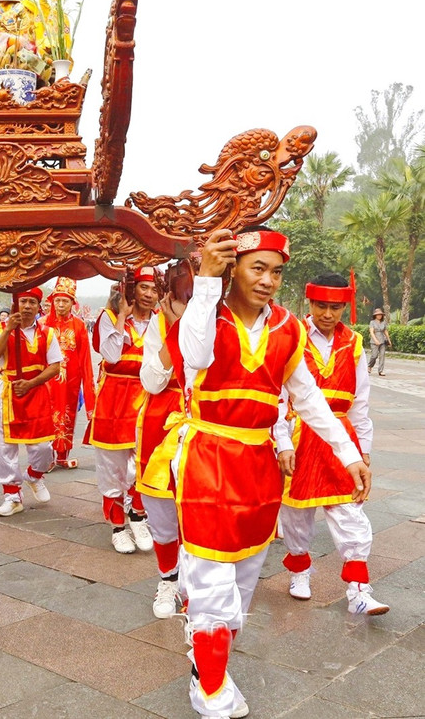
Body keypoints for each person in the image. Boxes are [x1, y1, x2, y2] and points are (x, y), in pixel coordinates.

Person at [143, 227, 370, 719]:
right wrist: (206, 280)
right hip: (207, 456)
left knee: (244, 575)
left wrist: (348, 453)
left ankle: (210, 661)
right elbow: (196, 357)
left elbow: (309, 399)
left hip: (259, 466)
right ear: (234, 269)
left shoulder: (289, 329)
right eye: (257, 268)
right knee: (208, 574)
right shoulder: (207, 317)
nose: (268, 280)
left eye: (276, 271)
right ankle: (207, 685)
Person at [277, 273, 388, 615]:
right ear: (310, 303)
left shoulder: (353, 342)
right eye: (321, 305)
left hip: (342, 438)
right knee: (296, 515)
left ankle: (359, 590)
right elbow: (278, 395)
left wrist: (363, 450)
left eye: (335, 307)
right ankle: (299, 571)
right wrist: (282, 441)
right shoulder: (291, 336)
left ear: (344, 307)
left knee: (351, 514)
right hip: (300, 435)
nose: (327, 313)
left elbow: (361, 403)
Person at [87, 269, 157, 554]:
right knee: (112, 467)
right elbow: (113, 356)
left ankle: (138, 514)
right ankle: (118, 526)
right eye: (144, 288)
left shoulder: (160, 322)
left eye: (154, 289)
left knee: (145, 462)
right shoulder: (108, 318)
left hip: (147, 397)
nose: (150, 294)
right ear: (131, 289)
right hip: (114, 399)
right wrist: (120, 316)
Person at [0, 287, 61, 516]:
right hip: (8, 391)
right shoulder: (0, 328)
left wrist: (31, 383)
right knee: (5, 447)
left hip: (36, 390)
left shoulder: (48, 333)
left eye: (32, 302)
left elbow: (55, 366)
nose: (27, 306)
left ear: (39, 307)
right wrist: (8, 330)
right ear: (15, 304)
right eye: (23, 301)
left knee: (43, 447)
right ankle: (12, 495)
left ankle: (34, 475)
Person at [137, 290, 186, 618]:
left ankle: (200, 587)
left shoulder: (232, 319)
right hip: (163, 419)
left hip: (211, 419)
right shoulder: (159, 321)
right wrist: (177, 329)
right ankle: (168, 579)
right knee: (162, 509)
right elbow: (152, 381)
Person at [41, 277, 95, 469]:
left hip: (70, 382)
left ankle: (62, 455)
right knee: (45, 416)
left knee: (66, 415)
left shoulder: (79, 326)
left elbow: (86, 361)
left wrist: (89, 394)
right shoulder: (42, 324)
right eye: (58, 300)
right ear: (52, 301)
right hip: (46, 381)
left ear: (73, 303)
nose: (61, 304)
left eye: (65, 300)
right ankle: (45, 458)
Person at [367, 307, 391, 376]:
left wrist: (389, 340)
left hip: (382, 341)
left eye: (380, 315)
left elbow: (385, 331)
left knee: (382, 355)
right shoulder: (372, 322)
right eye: (378, 315)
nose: (379, 316)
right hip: (374, 342)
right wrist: (375, 340)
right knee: (374, 356)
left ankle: (380, 370)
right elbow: (371, 332)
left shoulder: (383, 322)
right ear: (375, 315)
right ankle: (370, 366)